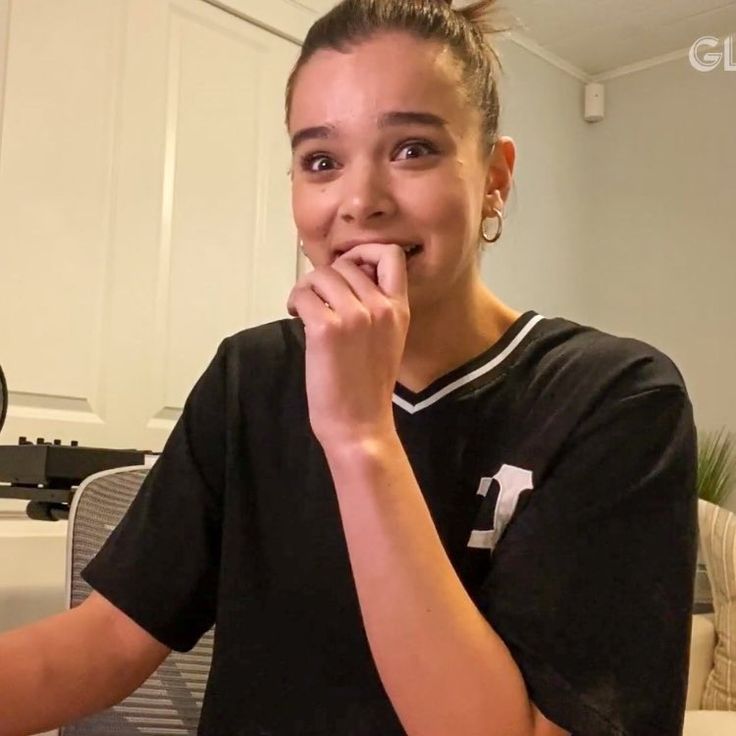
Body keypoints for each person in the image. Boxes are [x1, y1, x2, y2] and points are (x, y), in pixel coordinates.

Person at [0, 1, 698, 735]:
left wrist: (359, 435)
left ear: (494, 177)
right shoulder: (252, 375)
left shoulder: (615, 400)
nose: (359, 202)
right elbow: (110, 640)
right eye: (321, 162)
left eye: (413, 150)